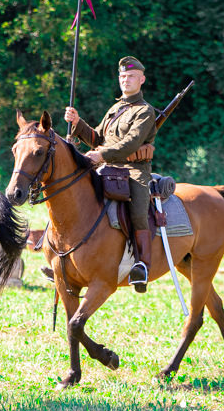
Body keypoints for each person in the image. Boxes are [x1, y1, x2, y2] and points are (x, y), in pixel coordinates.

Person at [65, 56, 156, 292]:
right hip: (106, 166)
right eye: (123, 77)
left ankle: (142, 265)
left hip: (134, 170)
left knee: (138, 207)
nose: (126, 80)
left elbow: (130, 143)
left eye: (131, 77)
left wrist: (100, 155)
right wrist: (77, 122)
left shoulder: (145, 111)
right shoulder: (116, 108)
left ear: (142, 79)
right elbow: (96, 138)